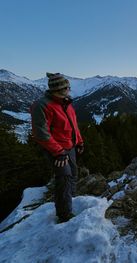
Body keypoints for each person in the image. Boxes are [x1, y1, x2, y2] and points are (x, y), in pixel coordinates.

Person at [30, 72, 84, 223]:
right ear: (54, 90)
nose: (65, 92)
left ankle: (70, 201)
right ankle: (64, 214)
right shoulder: (42, 105)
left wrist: (79, 142)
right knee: (64, 178)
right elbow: (41, 134)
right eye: (62, 90)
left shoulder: (66, 103)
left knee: (73, 174)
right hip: (57, 149)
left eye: (65, 89)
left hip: (70, 146)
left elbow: (73, 126)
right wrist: (58, 152)